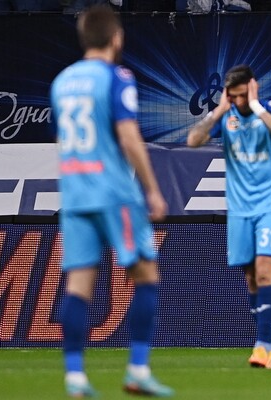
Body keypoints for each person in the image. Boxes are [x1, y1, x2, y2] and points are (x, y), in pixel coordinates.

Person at [51, 6, 174, 397]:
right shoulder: (117, 77)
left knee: (78, 284)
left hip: (75, 193)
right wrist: (152, 189)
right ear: (116, 38)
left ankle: (75, 377)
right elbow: (128, 136)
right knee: (146, 275)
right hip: (114, 192)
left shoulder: (61, 82)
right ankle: (137, 369)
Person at [187, 64, 271, 368]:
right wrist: (219, 111)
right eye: (233, 96)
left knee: (265, 270)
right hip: (239, 207)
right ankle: (269, 344)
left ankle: (262, 344)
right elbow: (193, 140)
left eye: (244, 95)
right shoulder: (226, 116)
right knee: (250, 277)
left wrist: (256, 106)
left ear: (254, 88)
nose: (239, 101)